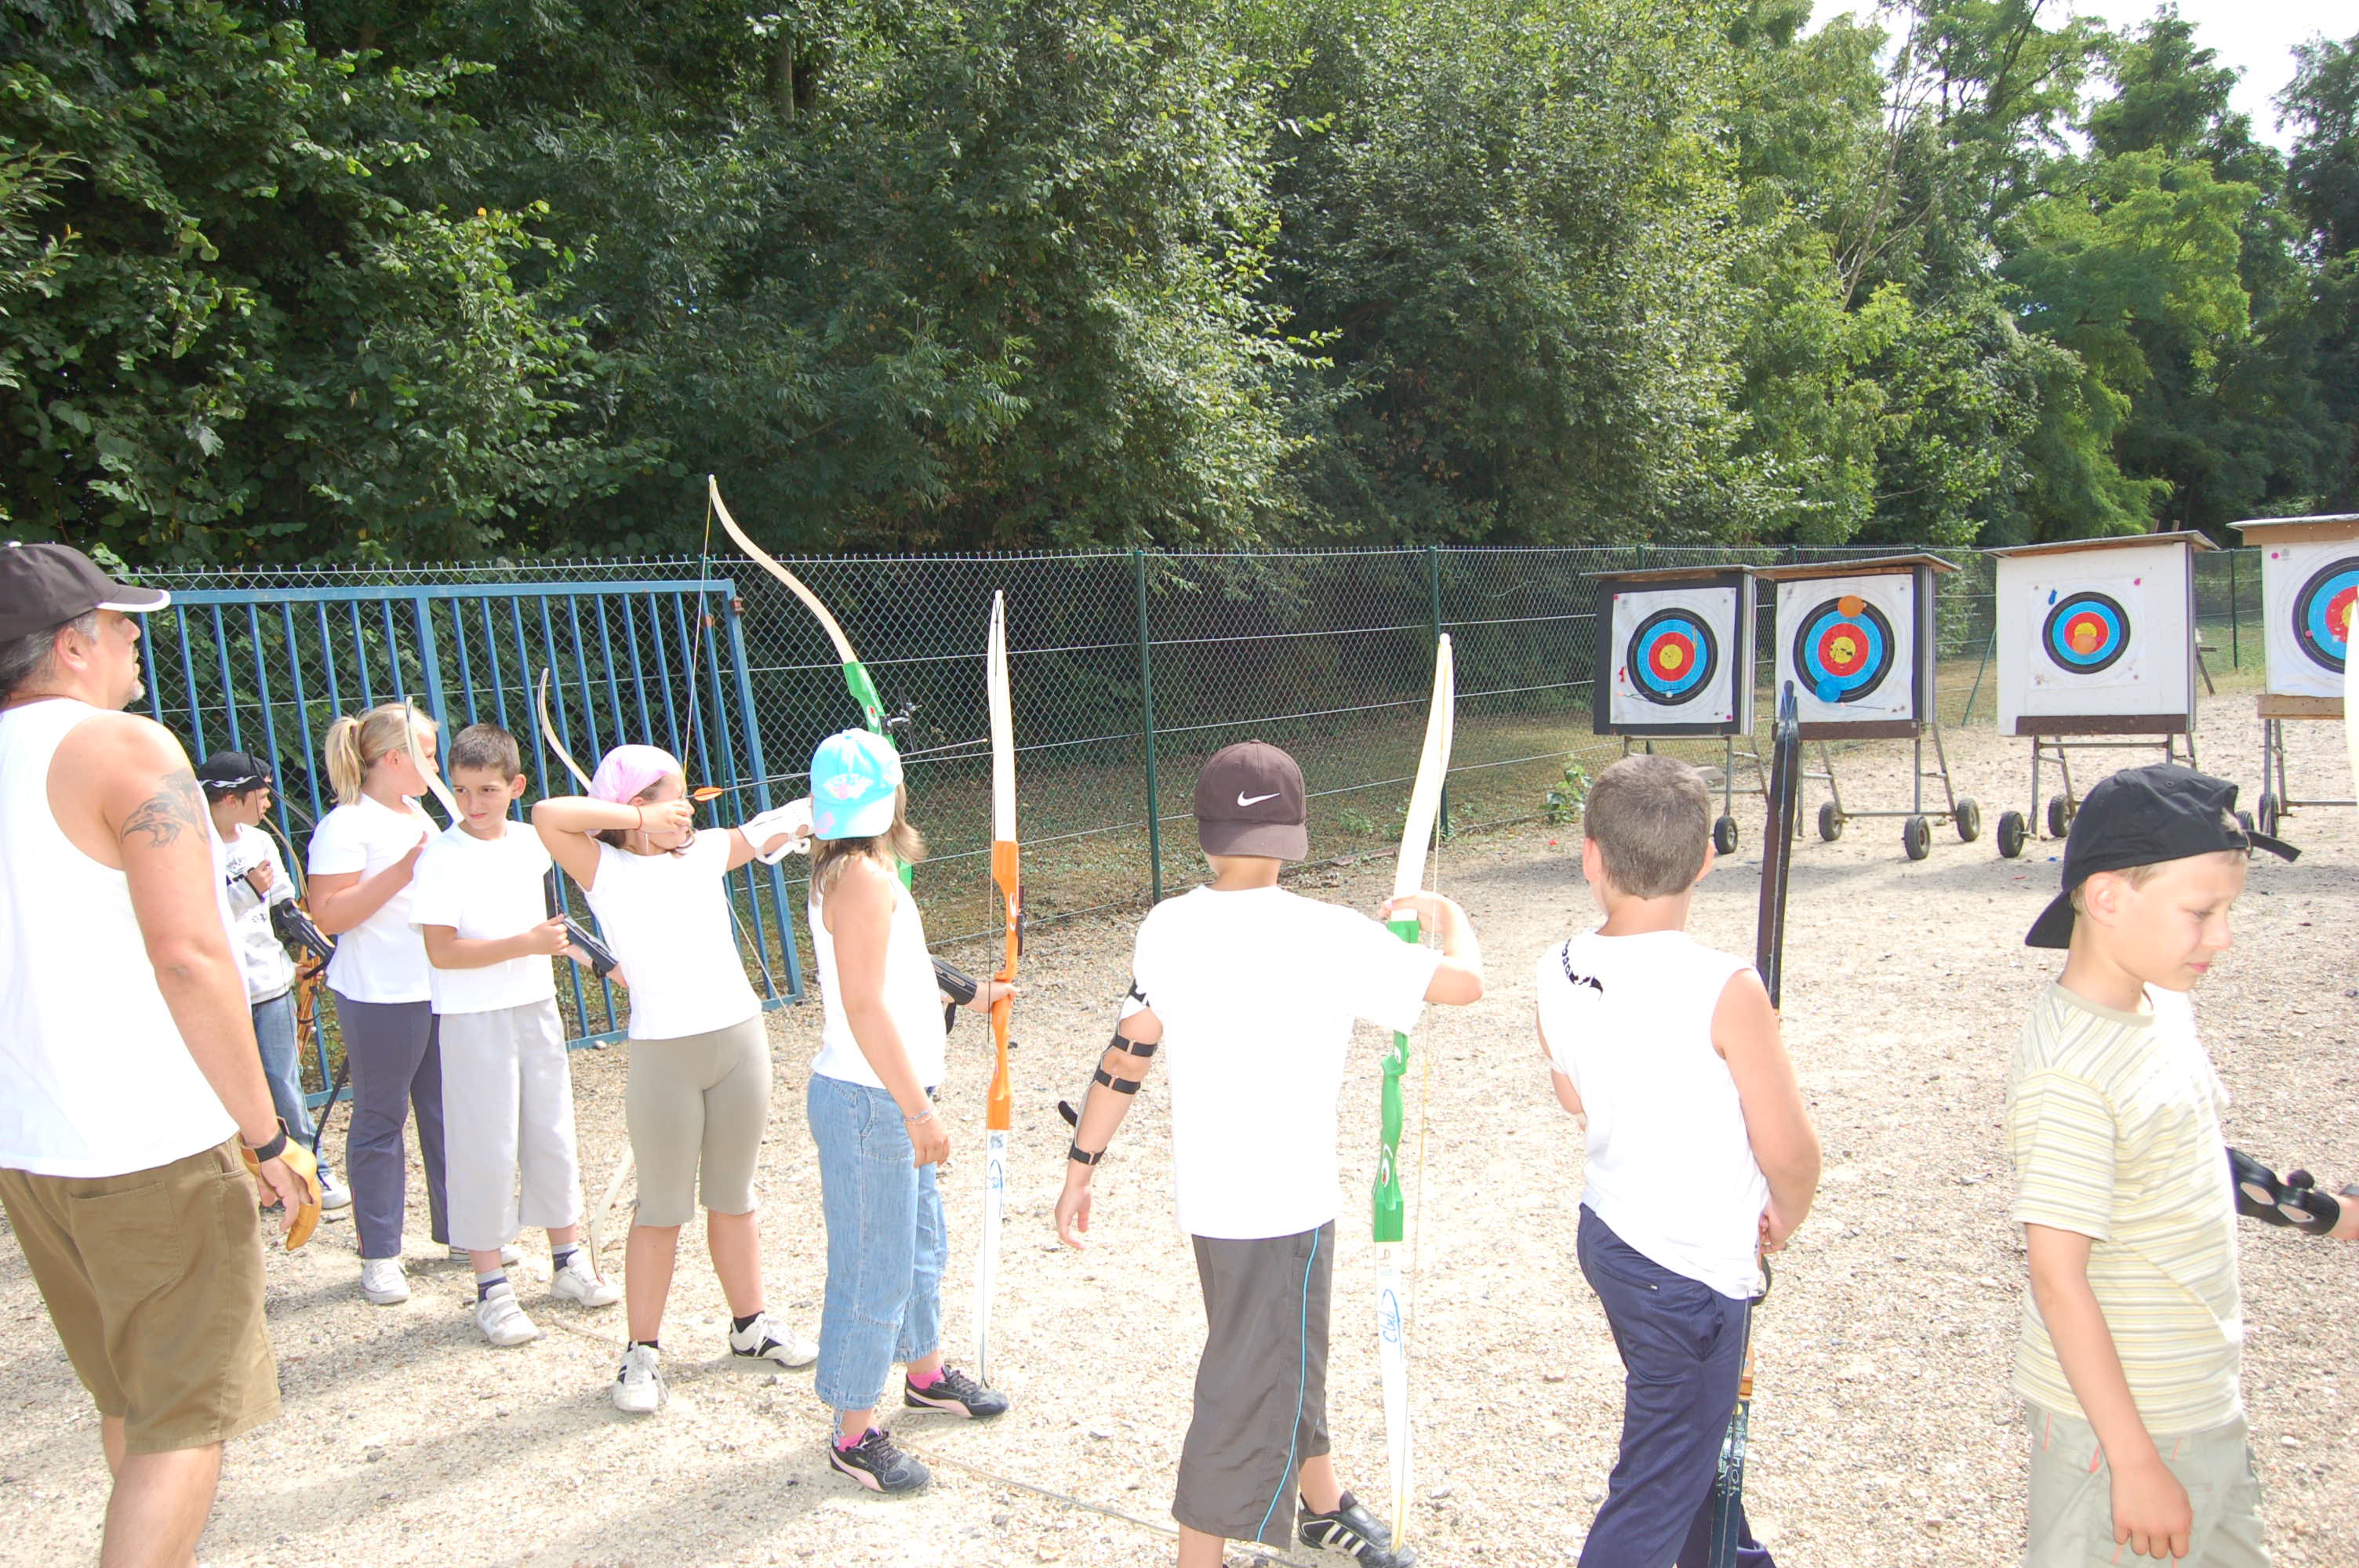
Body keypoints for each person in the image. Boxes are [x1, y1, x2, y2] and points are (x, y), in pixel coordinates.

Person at [1054, 740, 1484, 1568]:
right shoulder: (1330, 934)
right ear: (1292, 835)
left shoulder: (1167, 924)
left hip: (1214, 1207)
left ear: (1206, 835)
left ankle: (1322, 1503)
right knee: (1243, 1382)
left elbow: (1128, 1052)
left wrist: (1082, 1165)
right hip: (1284, 1207)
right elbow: (1465, 983)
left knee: (1281, 1349)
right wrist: (1450, 919)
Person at [0, 541, 311, 1568]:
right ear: (71, 642)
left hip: (34, 1144)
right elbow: (190, 955)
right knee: (184, 1419)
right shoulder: (125, 748)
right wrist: (267, 1135)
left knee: (133, 1400)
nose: (135, 636)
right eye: (119, 620)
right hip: (146, 1141)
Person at [2005, 765, 2359, 1566]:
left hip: (2199, 1405)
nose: (2222, 937)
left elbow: (2191, 1157)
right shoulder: (2068, 1072)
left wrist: (2330, 1215)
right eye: (2201, 913)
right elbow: (2057, 1279)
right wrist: (2132, 1462)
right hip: (2122, 1435)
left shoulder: (2160, 1003)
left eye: (2227, 911)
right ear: (2105, 898)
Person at [1533, 753, 1819, 1568]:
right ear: (1704, 859)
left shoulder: (1556, 966)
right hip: (1686, 1269)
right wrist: (1788, 1207)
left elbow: (1572, 1097)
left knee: (1690, 1431)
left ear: (1591, 857)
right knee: (1661, 1472)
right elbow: (1788, 1147)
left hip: (1614, 1240)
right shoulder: (1727, 987)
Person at [533, 743, 820, 1412]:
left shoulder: (706, 851)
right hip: (665, 1056)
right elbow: (548, 814)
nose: (687, 807)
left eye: (688, 796)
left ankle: (750, 1326)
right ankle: (642, 1352)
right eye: (672, 797)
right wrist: (639, 823)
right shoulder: (603, 868)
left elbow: (781, 824)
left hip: (740, 1043)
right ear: (633, 807)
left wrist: (828, 801)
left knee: (734, 1196)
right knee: (661, 1209)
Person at [804, 728, 1012, 1494]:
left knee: (920, 1242)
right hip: (874, 1102)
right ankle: (852, 1430)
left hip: (888, 1095)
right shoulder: (860, 877)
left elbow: (893, 966)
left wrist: (972, 992)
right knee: (876, 1264)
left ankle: (924, 1373)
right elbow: (863, 1004)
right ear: (891, 793)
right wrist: (917, 1111)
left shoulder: (860, 868)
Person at [410, 722, 622, 1347]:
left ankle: (568, 1260)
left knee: (550, 1131)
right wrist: (525, 944)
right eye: (461, 790)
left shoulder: (531, 843)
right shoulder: (441, 858)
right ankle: (491, 1286)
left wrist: (597, 960)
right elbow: (443, 952)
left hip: (534, 1004)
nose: (474, 804)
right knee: (485, 1143)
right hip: (473, 1015)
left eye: (488, 790)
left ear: (516, 786)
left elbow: (553, 921)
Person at [198, 750, 351, 1211]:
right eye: (261, 796)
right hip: (218, 991)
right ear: (231, 799)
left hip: (270, 983)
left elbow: (284, 904)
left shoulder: (260, 842)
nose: (267, 805)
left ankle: (310, 1170)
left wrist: (323, 947)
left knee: (283, 1082)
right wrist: (245, 892)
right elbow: (194, 917)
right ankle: (241, 1184)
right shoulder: (191, 846)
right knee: (222, 1092)